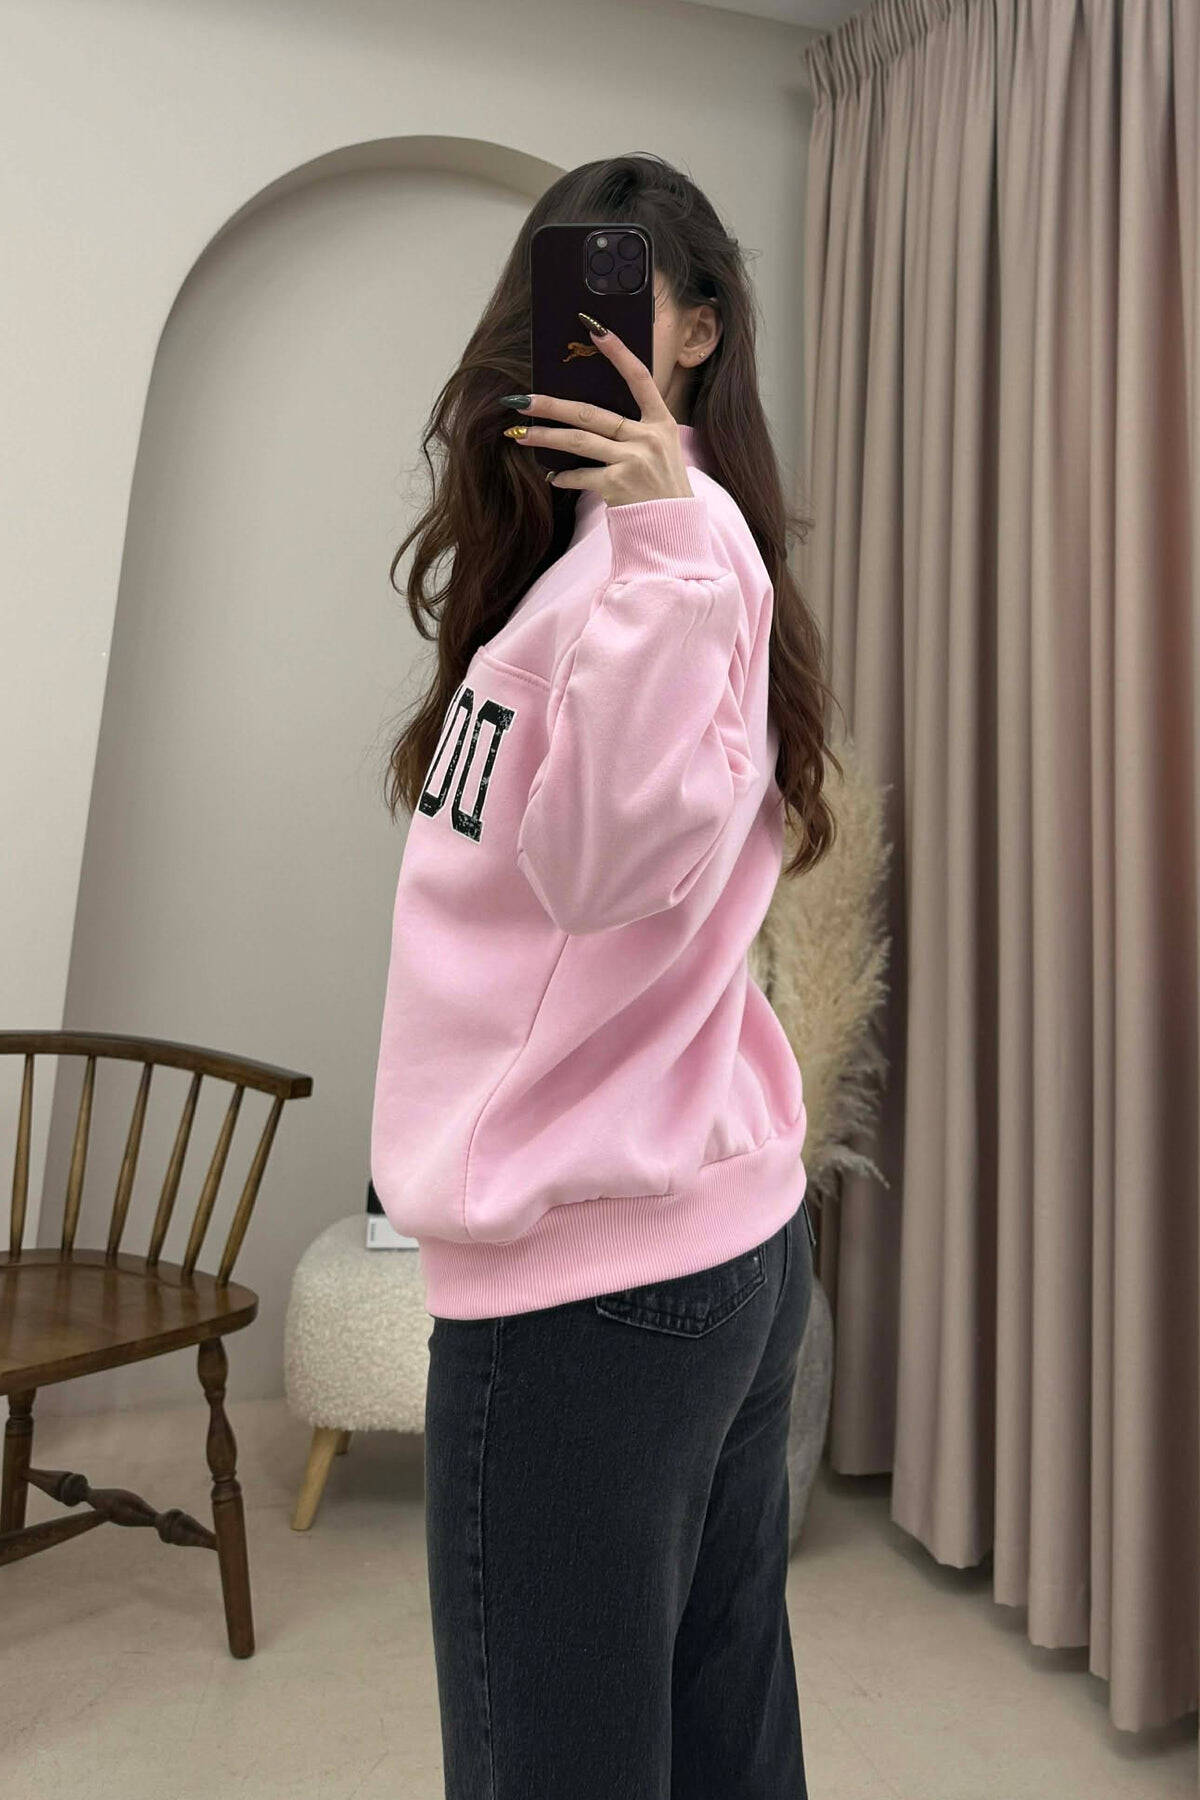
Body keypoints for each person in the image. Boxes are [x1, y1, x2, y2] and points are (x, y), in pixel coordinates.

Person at [371, 152, 840, 1800]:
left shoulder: (667, 559)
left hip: (589, 1288)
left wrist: (648, 545)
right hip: (697, 1238)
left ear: (700, 331)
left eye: (630, 294)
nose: (584, 332)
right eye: (558, 287)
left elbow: (604, 865)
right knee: (719, 1740)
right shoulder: (641, 558)